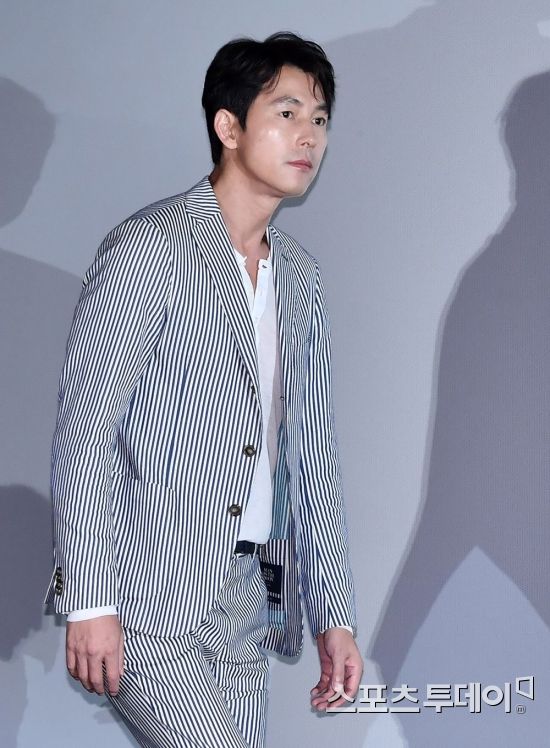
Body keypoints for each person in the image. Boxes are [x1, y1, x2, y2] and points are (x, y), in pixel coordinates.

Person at [45, 31, 362, 748]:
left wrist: (334, 618)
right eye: (287, 113)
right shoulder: (149, 246)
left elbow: (312, 458)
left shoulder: (301, 278)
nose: (308, 136)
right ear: (228, 126)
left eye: (319, 119)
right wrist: (89, 599)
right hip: (146, 595)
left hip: (249, 599)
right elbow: (86, 428)